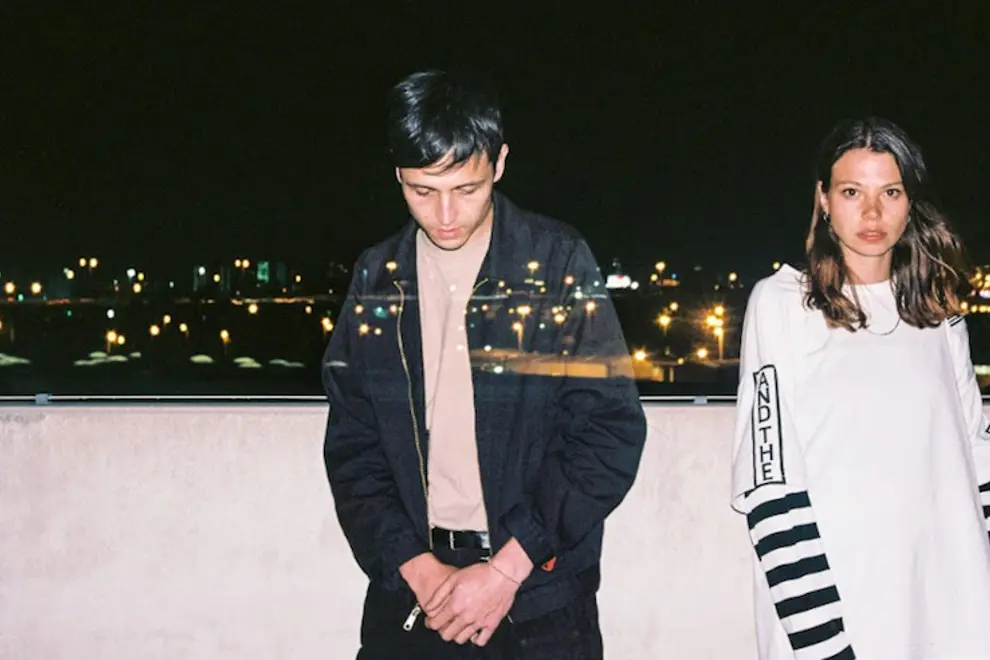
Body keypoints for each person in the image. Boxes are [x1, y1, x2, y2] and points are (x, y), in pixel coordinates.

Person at [321, 69, 647, 659]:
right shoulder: (377, 278)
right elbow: (353, 448)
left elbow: (608, 433)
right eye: (423, 191)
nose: (445, 213)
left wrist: (506, 569)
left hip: (540, 596)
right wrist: (418, 568)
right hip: (413, 593)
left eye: (465, 188)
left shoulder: (556, 263)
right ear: (397, 175)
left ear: (499, 164)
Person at [731, 116, 990, 659]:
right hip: (841, 616)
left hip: (954, 611)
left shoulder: (938, 312)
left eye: (890, 192)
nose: (872, 213)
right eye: (852, 192)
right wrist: (824, 644)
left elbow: (978, 459)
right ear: (824, 199)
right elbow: (770, 485)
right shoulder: (783, 305)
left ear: (910, 202)